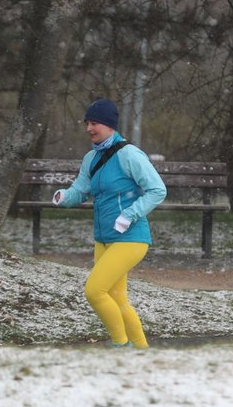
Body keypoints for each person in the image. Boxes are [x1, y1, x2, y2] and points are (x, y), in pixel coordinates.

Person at [52, 98, 167, 349]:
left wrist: (129, 215)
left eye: (95, 123)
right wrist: (64, 196)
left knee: (94, 291)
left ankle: (119, 345)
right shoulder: (91, 158)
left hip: (131, 237)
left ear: (110, 125)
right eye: (87, 123)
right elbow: (81, 190)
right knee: (117, 297)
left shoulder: (129, 155)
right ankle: (141, 350)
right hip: (104, 238)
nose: (89, 128)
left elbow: (157, 190)